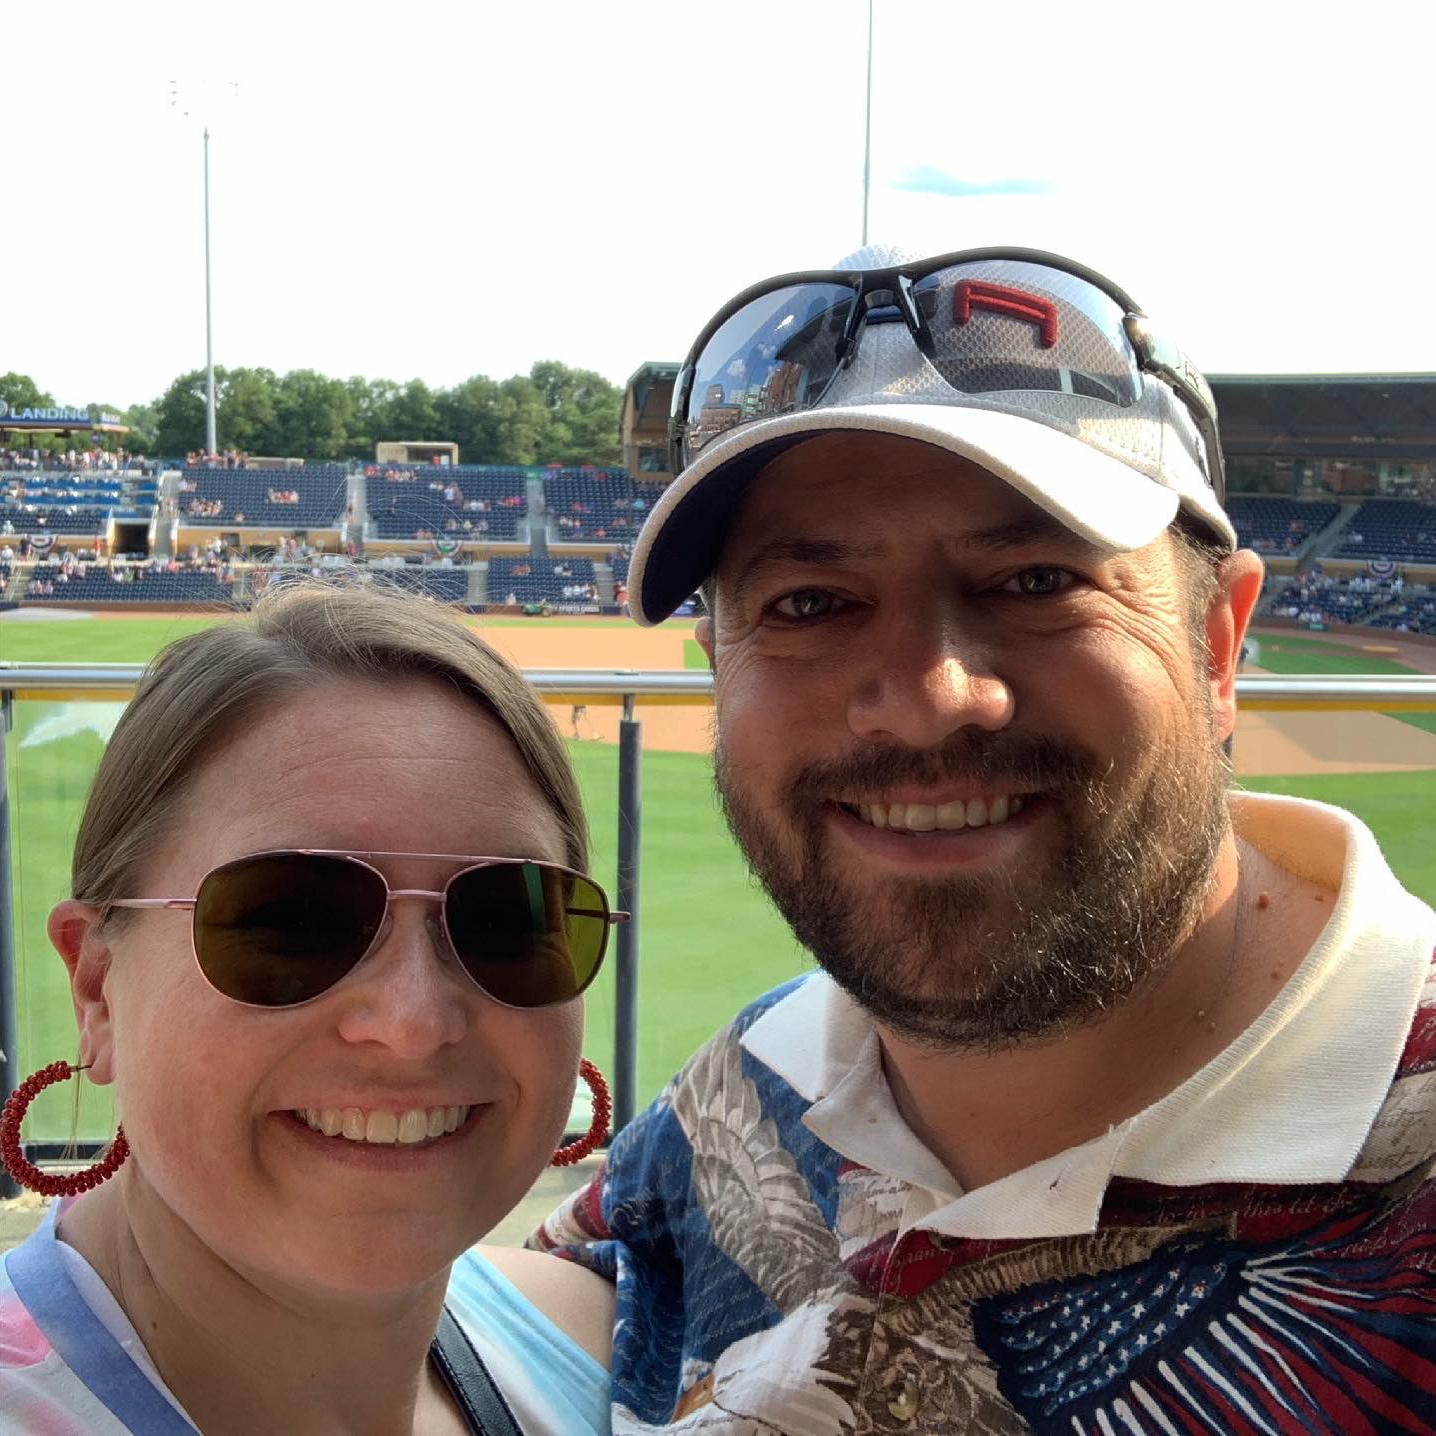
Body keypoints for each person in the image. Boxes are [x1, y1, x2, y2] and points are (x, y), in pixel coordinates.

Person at [532, 246, 1436, 1431]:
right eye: (807, 603)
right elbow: (574, 1284)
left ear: (1218, 645)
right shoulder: (773, 1064)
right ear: (718, 670)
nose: (926, 695)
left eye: (1034, 577)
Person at [1, 581, 618, 1433]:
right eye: (290, 920)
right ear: (97, 985)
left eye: (505, 919)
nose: (412, 1022)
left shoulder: (604, 1348)